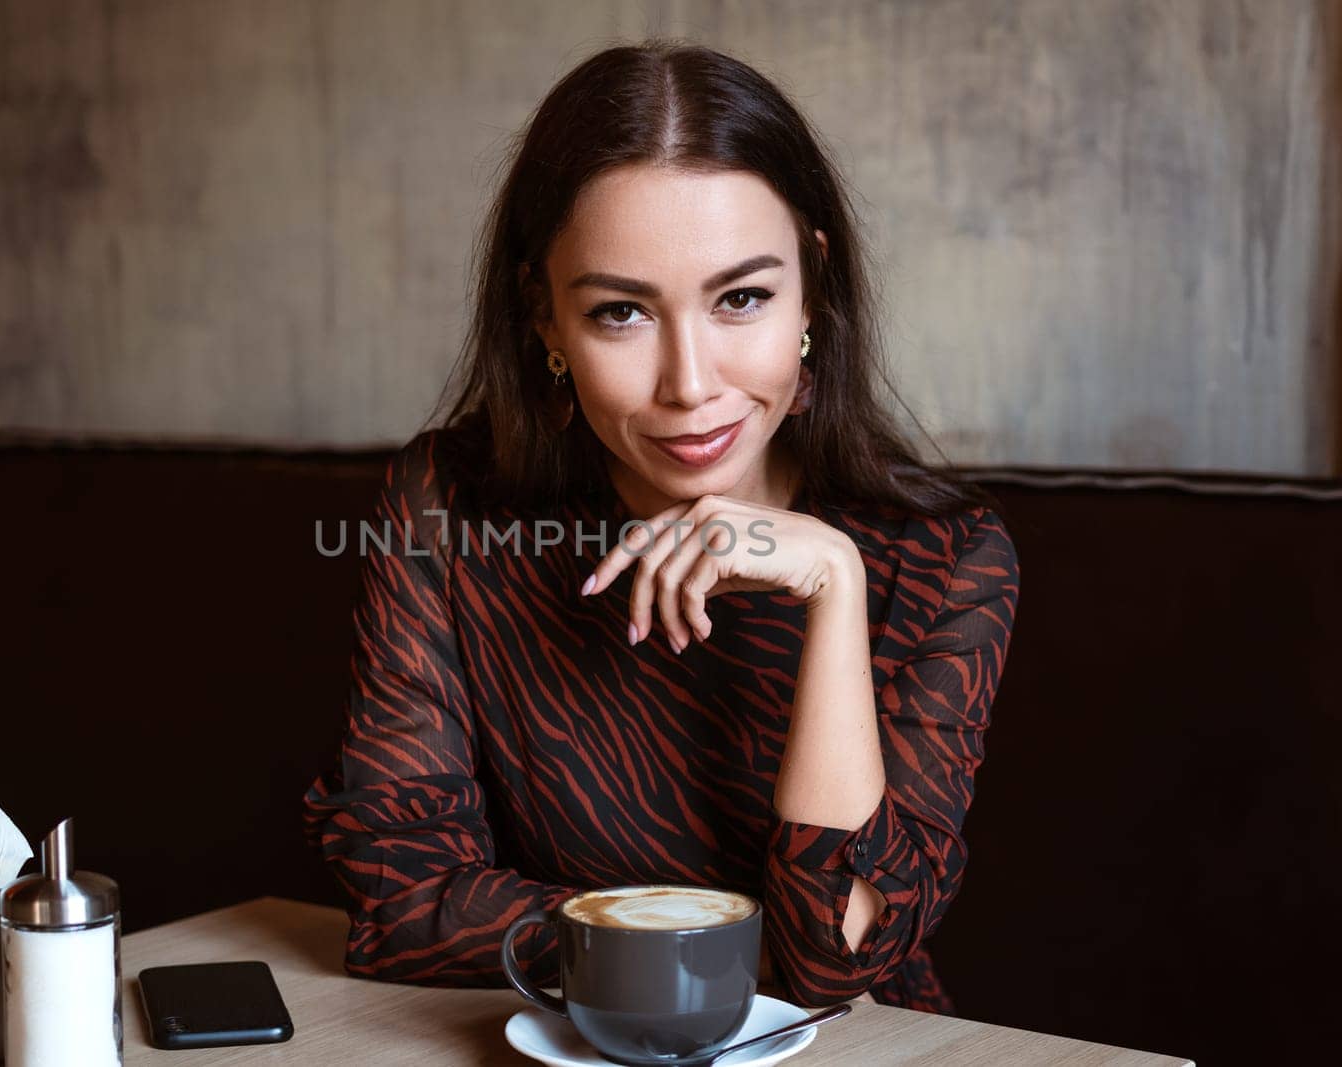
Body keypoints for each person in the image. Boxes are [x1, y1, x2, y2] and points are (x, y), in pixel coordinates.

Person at [303, 39, 1019, 1013]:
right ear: (544, 319)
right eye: (620, 315)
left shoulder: (945, 560)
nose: (691, 384)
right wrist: (715, 949)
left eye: (741, 298)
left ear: (812, 284)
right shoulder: (449, 507)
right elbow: (403, 896)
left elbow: (840, 955)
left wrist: (833, 585)